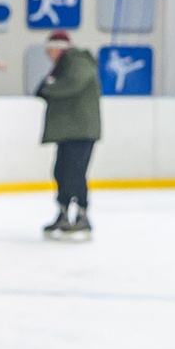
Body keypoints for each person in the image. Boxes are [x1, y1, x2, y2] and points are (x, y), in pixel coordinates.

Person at [37, 27, 101, 237]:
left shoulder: (78, 61)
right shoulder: (63, 66)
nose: (47, 54)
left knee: (74, 173)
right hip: (69, 130)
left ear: (59, 49)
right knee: (61, 172)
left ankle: (82, 215)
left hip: (80, 131)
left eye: (50, 49)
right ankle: (64, 213)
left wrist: (50, 89)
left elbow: (72, 84)